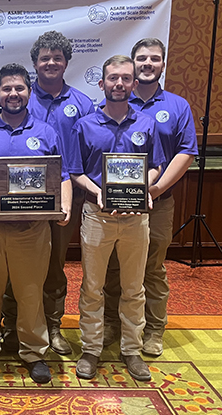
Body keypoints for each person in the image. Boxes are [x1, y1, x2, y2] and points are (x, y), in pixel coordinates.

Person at [0, 63, 72, 384]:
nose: (13, 94)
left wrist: (65, 205)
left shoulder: (46, 132)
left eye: (19, 88)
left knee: (31, 293)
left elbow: (62, 176)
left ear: (29, 93)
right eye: (7, 89)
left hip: (32, 231)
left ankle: (34, 352)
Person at [68, 55, 165, 381]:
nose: (119, 84)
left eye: (126, 79)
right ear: (102, 83)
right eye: (113, 78)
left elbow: (156, 166)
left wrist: (144, 188)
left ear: (134, 84)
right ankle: (91, 349)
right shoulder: (85, 125)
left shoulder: (147, 124)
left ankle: (131, 349)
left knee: (133, 288)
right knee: (93, 287)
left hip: (136, 218)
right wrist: (98, 193)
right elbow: (76, 171)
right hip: (98, 216)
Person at [102, 39, 198, 355]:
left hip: (158, 201)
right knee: (114, 265)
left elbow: (186, 152)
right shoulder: (113, 105)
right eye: (141, 58)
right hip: (115, 205)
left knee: (152, 266)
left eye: (154, 59)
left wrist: (152, 190)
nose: (147, 63)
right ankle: (113, 324)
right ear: (130, 67)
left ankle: (153, 329)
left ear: (163, 64)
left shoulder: (176, 105)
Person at [2, 31, 95, 355]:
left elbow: (87, 156)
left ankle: (52, 327)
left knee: (55, 265)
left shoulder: (83, 105)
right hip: (17, 200)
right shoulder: (20, 98)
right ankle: (13, 326)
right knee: (15, 264)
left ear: (67, 62)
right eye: (45, 58)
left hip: (64, 200)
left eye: (57, 57)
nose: (51, 63)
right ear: (35, 63)